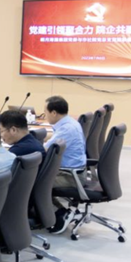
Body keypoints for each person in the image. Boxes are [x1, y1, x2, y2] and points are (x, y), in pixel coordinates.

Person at [42, 95, 87, 233]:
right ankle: (52, 212)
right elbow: (54, 140)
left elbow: (46, 150)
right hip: (72, 171)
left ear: (54, 113)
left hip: (71, 176)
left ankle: (60, 214)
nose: (44, 115)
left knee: (34, 182)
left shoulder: (67, 128)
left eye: (45, 112)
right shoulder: (69, 123)